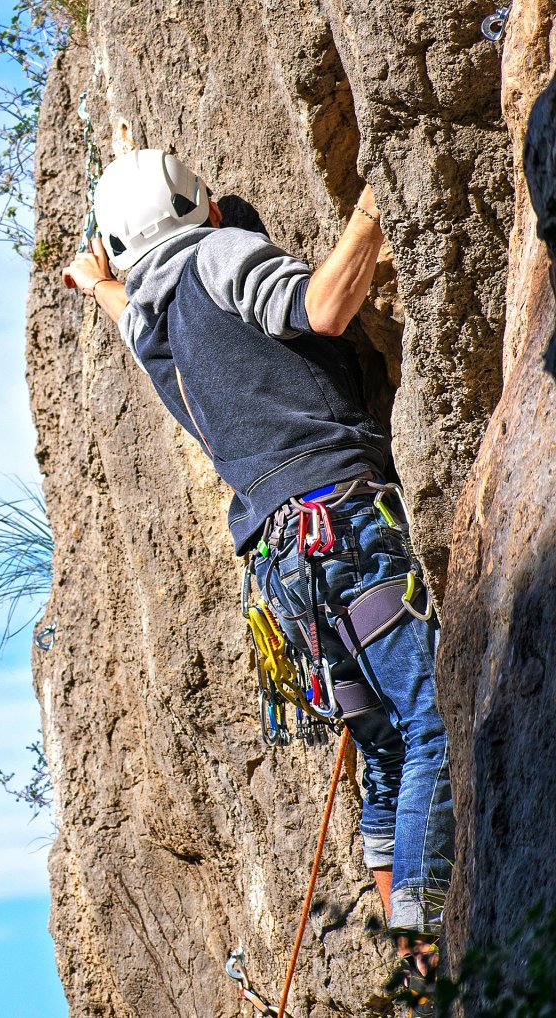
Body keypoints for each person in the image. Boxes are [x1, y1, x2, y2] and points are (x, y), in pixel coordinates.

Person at [60, 150, 452, 1013]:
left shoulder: (154, 323)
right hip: (342, 523)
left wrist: (97, 282)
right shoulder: (219, 254)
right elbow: (322, 306)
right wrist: (378, 201)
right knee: (430, 729)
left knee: (386, 750)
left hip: (282, 573)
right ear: (198, 207)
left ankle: (415, 980)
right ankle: (427, 966)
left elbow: (127, 308)